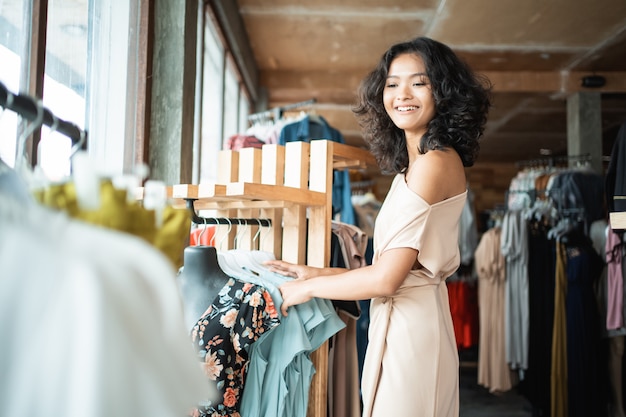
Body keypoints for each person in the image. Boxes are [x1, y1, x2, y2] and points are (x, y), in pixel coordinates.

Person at [264, 36, 491, 417]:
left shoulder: (435, 163)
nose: (402, 94)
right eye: (392, 84)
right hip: (403, 317)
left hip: (412, 327)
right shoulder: (416, 165)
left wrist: (306, 289)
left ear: (444, 92)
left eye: (418, 82)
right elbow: (393, 270)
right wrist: (312, 272)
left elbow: (387, 279)